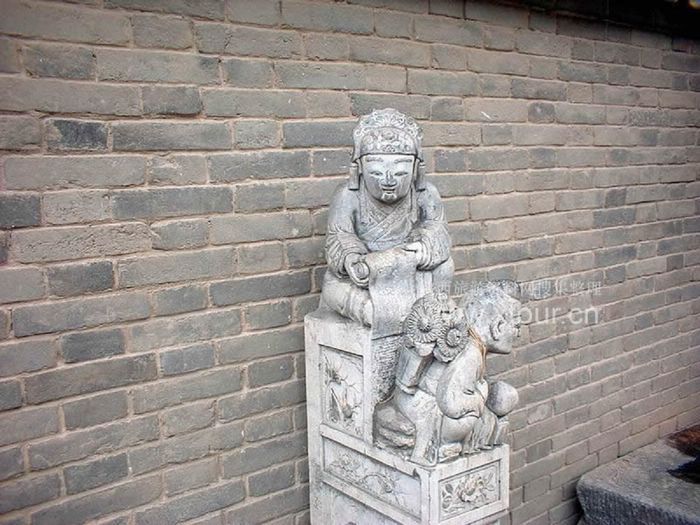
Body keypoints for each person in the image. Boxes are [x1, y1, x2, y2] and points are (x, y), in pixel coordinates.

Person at [320, 108, 453, 327]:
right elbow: (339, 235)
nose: (389, 180)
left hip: (408, 267)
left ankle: (433, 309)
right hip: (368, 272)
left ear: (415, 170)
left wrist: (423, 248)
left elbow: (438, 229)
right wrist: (351, 258)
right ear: (360, 169)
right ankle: (368, 310)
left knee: (445, 267)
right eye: (376, 173)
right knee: (333, 287)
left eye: (400, 173)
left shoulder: (426, 193)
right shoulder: (347, 196)